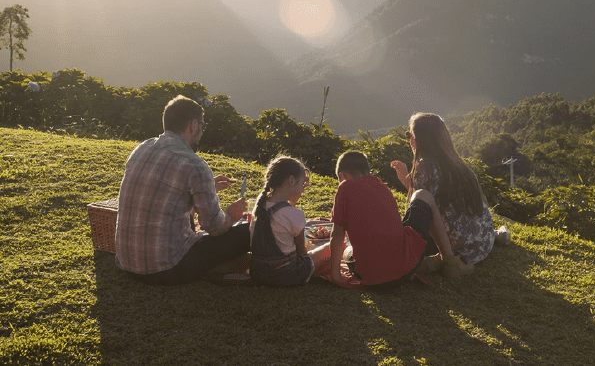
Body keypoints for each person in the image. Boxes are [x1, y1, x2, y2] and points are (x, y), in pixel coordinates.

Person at [115, 95, 249, 285]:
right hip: (168, 268)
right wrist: (231, 214)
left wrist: (208, 188)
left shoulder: (141, 149)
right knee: (250, 231)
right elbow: (215, 227)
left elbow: (167, 198)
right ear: (194, 125)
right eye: (202, 125)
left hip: (127, 264)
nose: (202, 131)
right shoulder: (194, 164)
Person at [391, 113, 498, 278]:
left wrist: (407, 181)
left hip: (456, 247)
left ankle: (445, 260)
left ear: (419, 139)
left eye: (409, 135)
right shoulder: (457, 162)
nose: (409, 140)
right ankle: (501, 235)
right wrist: (406, 178)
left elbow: (423, 205)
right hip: (483, 243)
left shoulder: (425, 165)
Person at [329, 150, 451, 287]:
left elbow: (337, 236)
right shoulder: (383, 187)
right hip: (407, 268)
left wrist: (336, 277)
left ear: (342, 175)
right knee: (423, 195)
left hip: (373, 278)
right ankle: (449, 260)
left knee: (348, 251)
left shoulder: (345, 187)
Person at [249, 156, 331, 286]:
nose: (303, 187)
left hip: (258, 273)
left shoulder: (260, 207)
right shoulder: (293, 214)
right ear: (292, 180)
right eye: (302, 183)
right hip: (285, 276)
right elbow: (302, 253)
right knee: (333, 247)